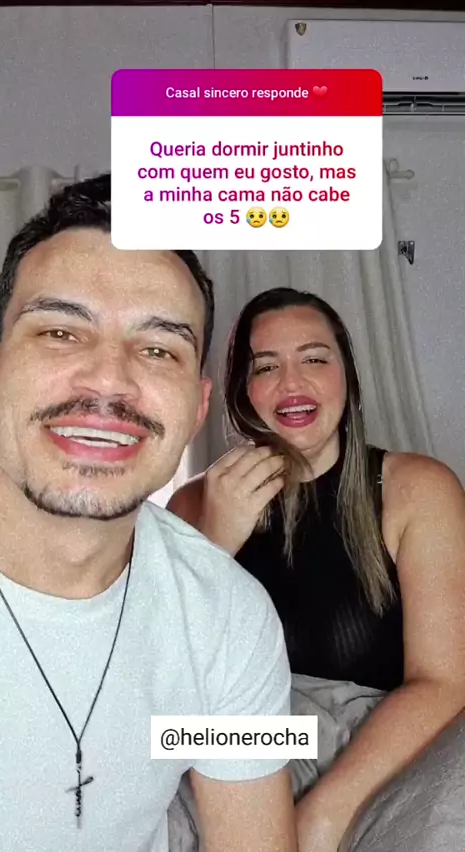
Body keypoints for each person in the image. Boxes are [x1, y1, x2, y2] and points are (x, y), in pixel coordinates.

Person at [0, 177, 298, 852]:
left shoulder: (233, 617)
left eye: (158, 349)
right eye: (61, 332)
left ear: (197, 407)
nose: (109, 380)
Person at [168, 286, 465, 852]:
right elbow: (163, 681)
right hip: (250, 740)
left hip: (391, 745)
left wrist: (320, 819)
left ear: (347, 376)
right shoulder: (193, 503)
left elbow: (444, 683)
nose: (291, 383)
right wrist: (215, 546)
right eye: (265, 366)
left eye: (314, 358)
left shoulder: (419, 489)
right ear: (242, 390)